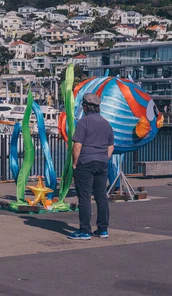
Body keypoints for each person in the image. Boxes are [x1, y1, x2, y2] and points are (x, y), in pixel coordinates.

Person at [68, 93, 114, 240]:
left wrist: (75, 163)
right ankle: (102, 229)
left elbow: (77, 145)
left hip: (86, 162)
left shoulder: (83, 122)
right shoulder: (106, 123)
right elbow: (111, 146)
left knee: (85, 197)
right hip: (102, 163)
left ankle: (85, 231)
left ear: (86, 107)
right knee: (101, 197)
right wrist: (103, 158)